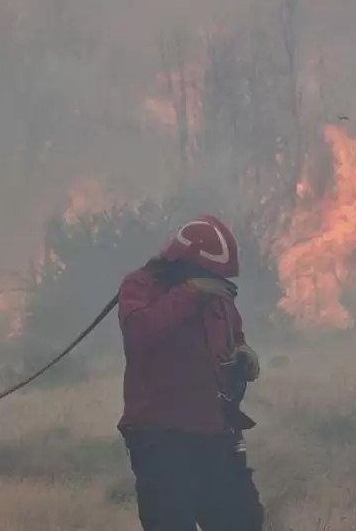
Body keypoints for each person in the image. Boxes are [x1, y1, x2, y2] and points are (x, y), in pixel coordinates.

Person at [116, 214, 264, 531]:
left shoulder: (217, 296)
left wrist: (244, 353)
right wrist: (190, 294)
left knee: (243, 521)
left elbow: (232, 336)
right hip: (160, 437)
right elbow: (140, 334)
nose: (217, 285)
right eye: (209, 277)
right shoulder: (140, 286)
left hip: (216, 434)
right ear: (185, 266)